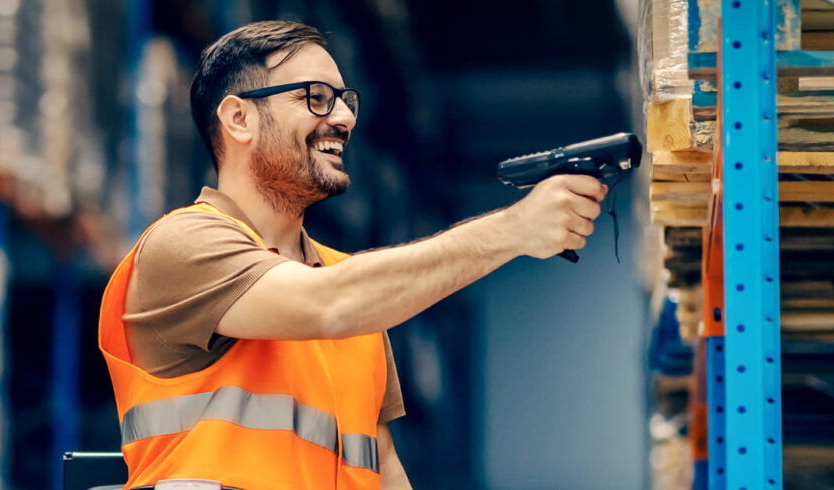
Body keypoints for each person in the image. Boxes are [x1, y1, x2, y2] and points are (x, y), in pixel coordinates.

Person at [98, 20, 607, 490]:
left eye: (345, 101)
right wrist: (513, 228)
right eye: (316, 98)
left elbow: (382, 465)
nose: (342, 118)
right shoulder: (184, 245)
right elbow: (327, 305)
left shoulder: (351, 289)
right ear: (238, 118)